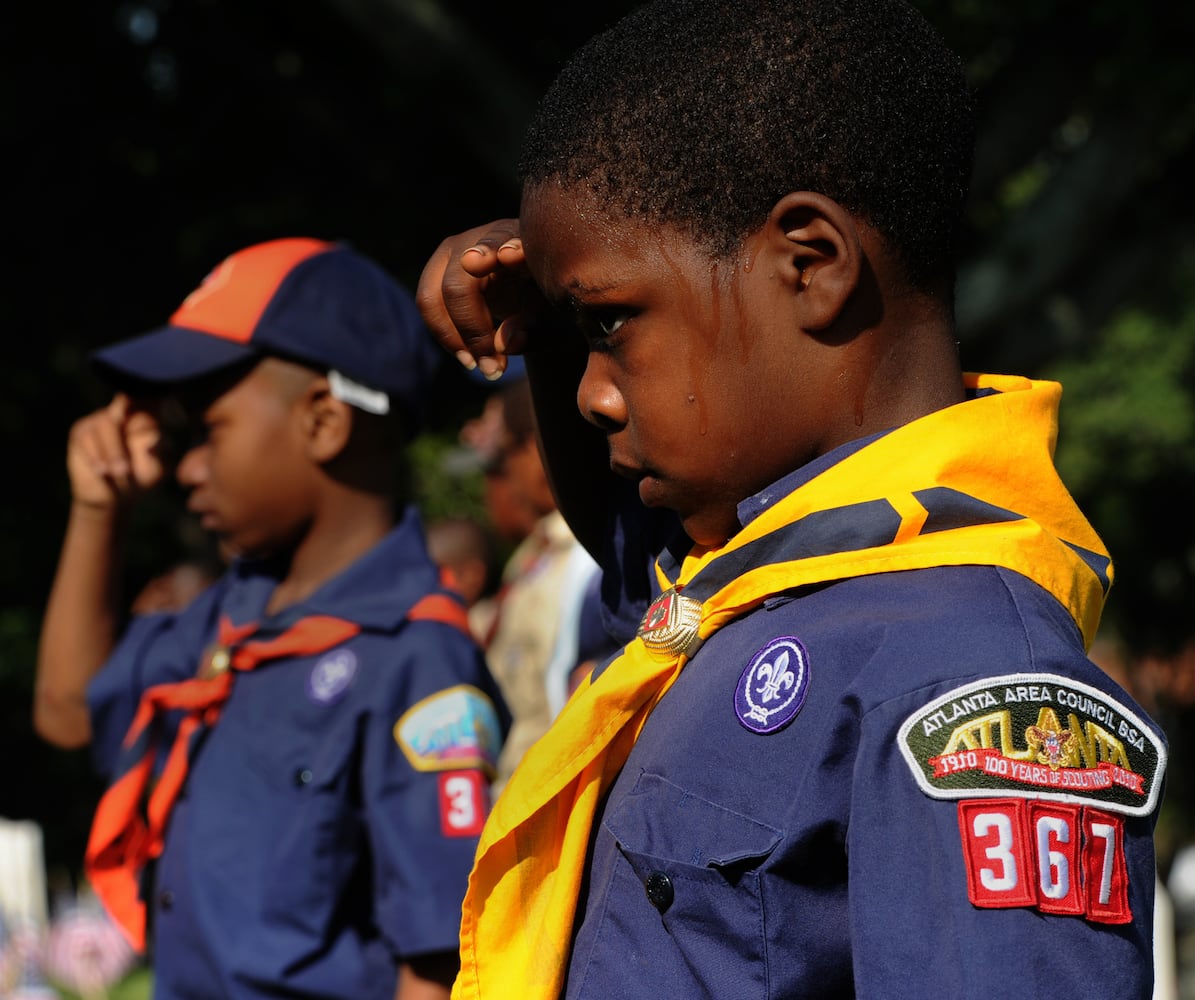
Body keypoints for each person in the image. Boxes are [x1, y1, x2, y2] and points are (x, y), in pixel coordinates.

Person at [414, 2, 1170, 997]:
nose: (593, 394)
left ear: (810, 266)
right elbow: (632, 537)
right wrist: (557, 321)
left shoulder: (971, 676)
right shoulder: (756, 574)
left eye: (610, 324)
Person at [33, 237, 508, 1000]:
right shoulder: (231, 618)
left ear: (323, 420)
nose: (183, 466)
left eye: (206, 432)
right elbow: (68, 714)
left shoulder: (416, 656)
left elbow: (436, 964)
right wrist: (99, 511)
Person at [461, 376, 601, 789]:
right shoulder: (533, 553)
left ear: (534, 448)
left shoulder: (591, 558)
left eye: (506, 456)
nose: (508, 478)